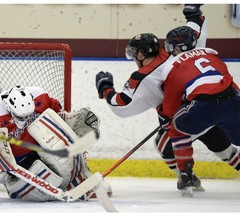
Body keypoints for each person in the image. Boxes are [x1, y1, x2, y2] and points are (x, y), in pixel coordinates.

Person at [95, 4, 240, 191]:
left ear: (140, 54)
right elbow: (195, 27)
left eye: (133, 53)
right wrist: (193, 12)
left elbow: (121, 104)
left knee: (166, 142)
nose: (133, 58)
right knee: (222, 144)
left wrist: (105, 87)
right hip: (221, 100)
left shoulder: (144, 77)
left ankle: (188, 178)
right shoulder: (182, 50)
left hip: (192, 112)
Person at [0, 85, 111, 201]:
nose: (23, 121)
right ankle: (13, 183)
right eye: (20, 117)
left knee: (64, 153)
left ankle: (81, 178)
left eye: (27, 116)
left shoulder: (39, 96)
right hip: (17, 158)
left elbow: (58, 114)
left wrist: (70, 120)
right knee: (42, 191)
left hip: (40, 141)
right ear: (9, 108)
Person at [160, 25, 240, 196]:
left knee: (177, 129)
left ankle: (186, 174)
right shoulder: (212, 55)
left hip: (204, 106)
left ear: (178, 47)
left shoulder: (172, 66)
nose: (169, 49)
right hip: (233, 100)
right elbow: (228, 81)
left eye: (170, 45)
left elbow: (170, 106)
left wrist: (168, 118)